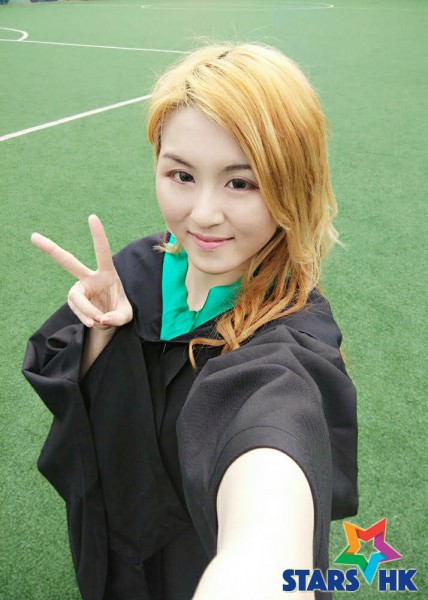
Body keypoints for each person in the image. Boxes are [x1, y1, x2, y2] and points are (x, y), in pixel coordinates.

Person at [22, 42, 358, 600]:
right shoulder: (138, 267)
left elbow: (272, 465)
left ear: (293, 184)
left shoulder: (291, 340)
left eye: (241, 182)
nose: (202, 215)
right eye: (181, 175)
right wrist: (102, 331)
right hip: (112, 547)